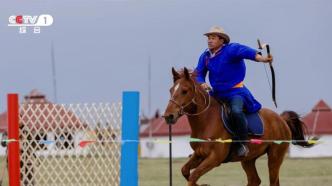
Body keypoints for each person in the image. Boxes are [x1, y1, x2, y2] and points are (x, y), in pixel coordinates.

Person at [195, 26, 273, 157]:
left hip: (236, 92)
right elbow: (199, 73)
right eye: (208, 38)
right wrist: (202, 82)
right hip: (216, 94)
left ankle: (242, 143)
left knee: (236, 111)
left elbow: (249, 53)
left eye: (213, 38)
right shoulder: (205, 56)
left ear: (222, 40)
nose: (209, 40)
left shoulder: (232, 49)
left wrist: (263, 59)